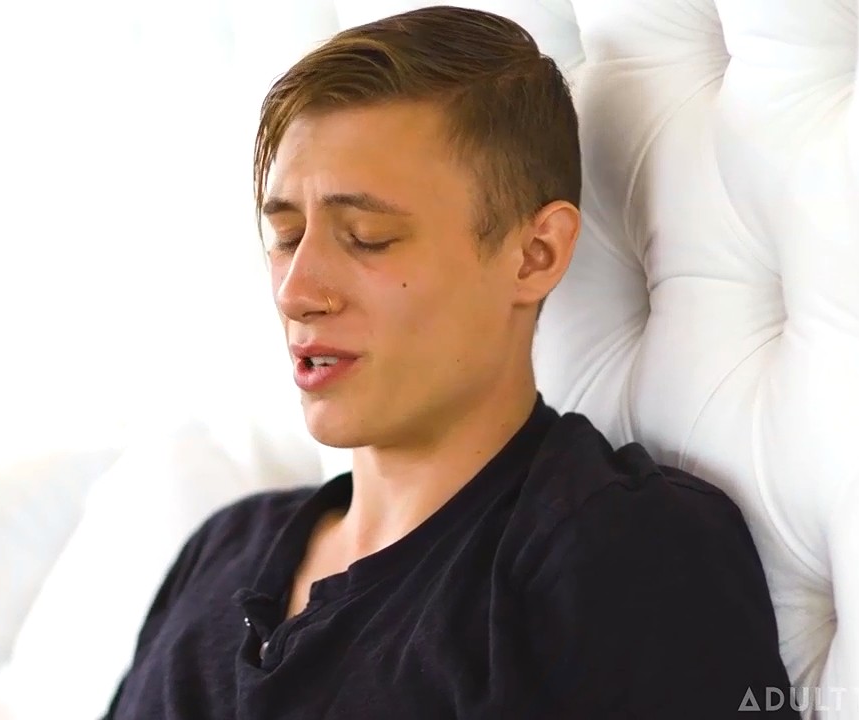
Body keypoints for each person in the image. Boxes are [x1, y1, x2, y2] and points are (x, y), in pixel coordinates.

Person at [105, 6, 797, 719]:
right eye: (285, 235)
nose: (296, 292)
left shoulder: (616, 553)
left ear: (534, 255)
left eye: (367, 236)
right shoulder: (219, 552)